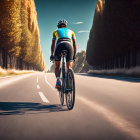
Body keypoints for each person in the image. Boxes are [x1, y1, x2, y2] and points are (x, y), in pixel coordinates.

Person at [50, 19, 77, 88]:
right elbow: (74, 44)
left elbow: (53, 45)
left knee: (57, 66)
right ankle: (69, 82)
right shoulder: (72, 32)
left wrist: (52, 55)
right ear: (65, 26)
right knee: (68, 67)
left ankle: (58, 80)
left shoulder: (55, 31)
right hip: (69, 46)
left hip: (59, 45)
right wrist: (74, 55)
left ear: (58, 26)